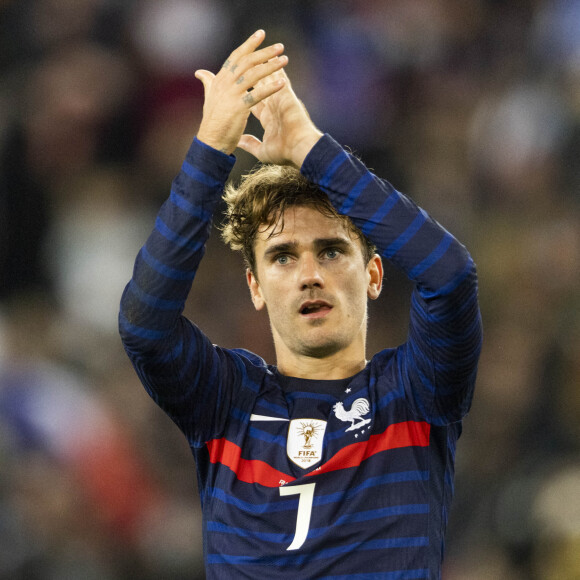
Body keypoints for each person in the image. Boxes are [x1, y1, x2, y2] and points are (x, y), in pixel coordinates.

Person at [119, 30, 482, 579]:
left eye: (332, 251)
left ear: (375, 275)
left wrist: (312, 147)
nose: (310, 275)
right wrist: (211, 148)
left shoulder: (415, 390)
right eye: (283, 257)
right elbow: (145, 327)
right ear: (256, 287)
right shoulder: (226, 399)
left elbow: (450, 276)